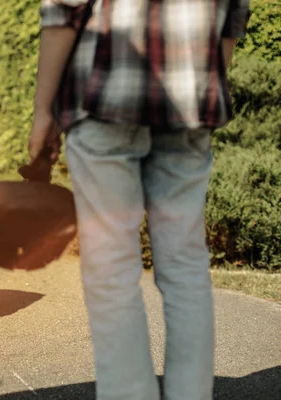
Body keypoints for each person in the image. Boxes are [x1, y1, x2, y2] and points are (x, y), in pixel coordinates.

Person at [29, 1, 250, 399]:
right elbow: (231, 26)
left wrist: (43, 110)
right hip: (192, 103)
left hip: (104, 97)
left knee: (112, 267)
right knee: (185, 265)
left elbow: (63, 12)